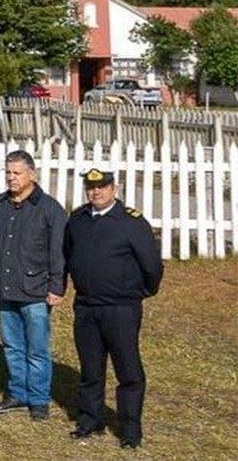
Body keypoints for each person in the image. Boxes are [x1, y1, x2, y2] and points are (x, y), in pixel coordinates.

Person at [65, 168, 163, 449]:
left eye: (102, 187)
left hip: (121, 308)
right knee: (90, 368)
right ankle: (91, 418)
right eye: (91, 187)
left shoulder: (131, 222)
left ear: (114, 189)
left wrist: (141, 292)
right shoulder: (79, 219)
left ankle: (130, 429)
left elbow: (152, 265)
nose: (96, 192)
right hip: (86, 306)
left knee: (128, 370)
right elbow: (68, 252)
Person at [0, 149, 68, 420]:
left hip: (36, 290)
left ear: (32, 174)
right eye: (8, 172)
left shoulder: (50, 209)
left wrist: (56, 287)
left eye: (17, 173)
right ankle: (18, 392)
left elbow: (59, 253)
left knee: (37, 349)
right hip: (6, 289)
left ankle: (39, 399)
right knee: (12, 346)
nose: (11, 178)